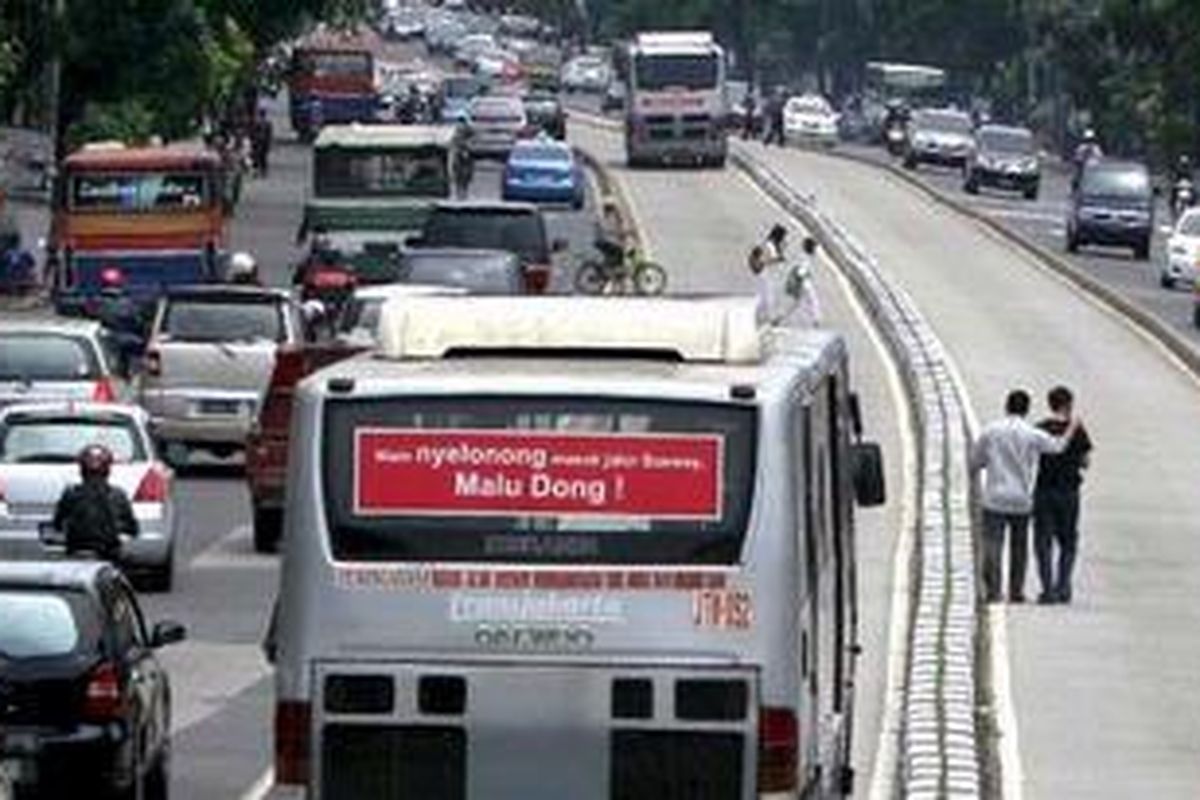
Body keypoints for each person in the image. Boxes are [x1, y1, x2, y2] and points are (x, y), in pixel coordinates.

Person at [971, 389, 1082, 603]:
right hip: (1021, 498)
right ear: (1027, 409)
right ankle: (1016, 590)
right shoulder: (1031, 433)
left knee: (993, 543)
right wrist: (1071, 428)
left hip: (995, 496)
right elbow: (1057, 447)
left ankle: (994, 589)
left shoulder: (991, 431)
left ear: (1006, 406)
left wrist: (982, 466)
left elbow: (976, 461)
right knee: (1019, 547)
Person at [1033, 386, 1093, 604]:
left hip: (1044, 489)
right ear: (1068, 404)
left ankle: (1047, 589)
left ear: (1050, 404)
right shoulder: (1077, 430)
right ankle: (1063, 585)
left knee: (1043, 540)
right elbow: (1086, 461)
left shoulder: (1040, 428)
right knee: (1068, 540)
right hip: (1068, 491)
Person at [53, 444, 139, 562]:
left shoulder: (71, 493)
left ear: (82, 469)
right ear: (108, 469)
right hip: (108, 553)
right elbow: (133, 528)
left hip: (77, 551)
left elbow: (57, 523)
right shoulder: (118, 494)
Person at [748, 224, 822, 327]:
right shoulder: (769, 245)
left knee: (790, 301)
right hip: (771, 275)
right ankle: (762, 318)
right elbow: (764, 260)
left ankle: (774, 319)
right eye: (783, 237)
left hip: (788, 277)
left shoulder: (777, 246)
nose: (784, 239)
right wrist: (777, 260)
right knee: (769, 299)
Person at [249, 108, 273, 177]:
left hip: (263, 143)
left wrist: (269, 144)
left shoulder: (267, 124)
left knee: (262, 158)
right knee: (257, 157)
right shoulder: (258, 123)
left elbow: (269, 135)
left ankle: (263, 171)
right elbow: (253, 133)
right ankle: (257, 171)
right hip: (258, 143)